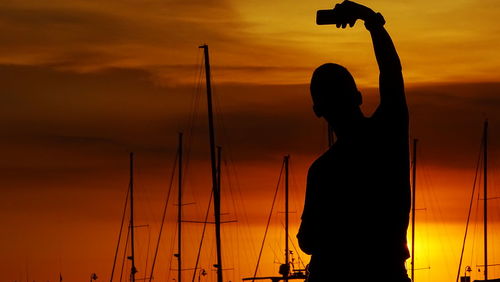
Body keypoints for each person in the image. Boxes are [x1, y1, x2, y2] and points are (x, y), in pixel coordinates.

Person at [297, 1, 411, 281]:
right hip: (385, 273)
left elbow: (308, 240)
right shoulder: (387, 135)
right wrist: (370, 21)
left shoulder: (322, 170)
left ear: (317, 110)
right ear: (358, 97)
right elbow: (392, 74)